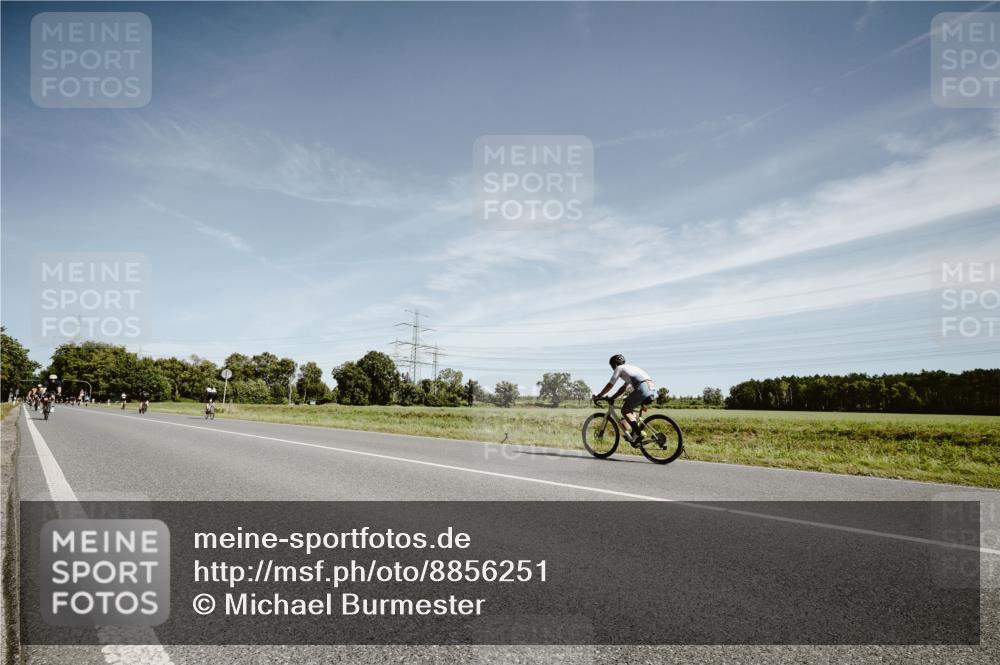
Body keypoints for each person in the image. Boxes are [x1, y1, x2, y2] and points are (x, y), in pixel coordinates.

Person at [592, 354, 656, 443]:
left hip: (642, 388)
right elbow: (623, 388)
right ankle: (635, 432)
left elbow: (610, 384)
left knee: (625, 410)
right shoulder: (630, 368)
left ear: (614, 364)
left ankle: (639, 433)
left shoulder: (619, 368)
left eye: (612, 366)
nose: (613, 368)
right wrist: (613, 397)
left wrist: (599, 395)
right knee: (630, 408)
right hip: (651, 389)